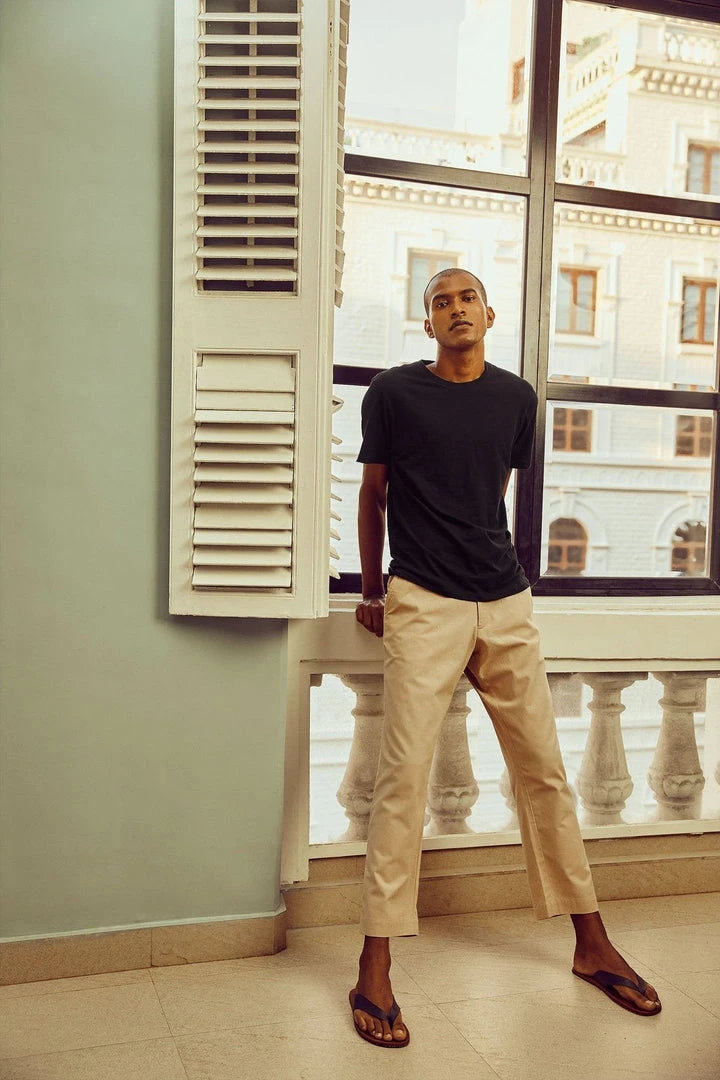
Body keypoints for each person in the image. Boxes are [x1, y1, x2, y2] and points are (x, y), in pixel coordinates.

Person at [348, 268, 661, 1048]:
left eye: (466, 298)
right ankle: (373, 964)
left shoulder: (518, 398)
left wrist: (508, 582)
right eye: (440, 301)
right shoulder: (392, 393)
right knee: (401, 781)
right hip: (424, 601)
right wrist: (372, 588)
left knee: (545, 771)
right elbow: (374, 494)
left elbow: (493, 492)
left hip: (506, 601)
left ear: (489, 314)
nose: (455, 309)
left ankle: (592, 943)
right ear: (428, 323)